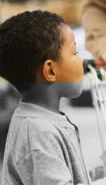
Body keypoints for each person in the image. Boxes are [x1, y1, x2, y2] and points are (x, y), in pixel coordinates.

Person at [0, 10, 89, 184]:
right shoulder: (40, 133)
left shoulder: (43, 122)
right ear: (50, 71)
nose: (82, 61)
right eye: (75, 52)